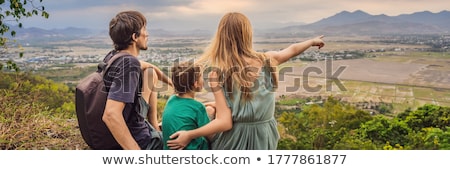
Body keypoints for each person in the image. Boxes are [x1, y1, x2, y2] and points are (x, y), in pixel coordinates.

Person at [167, 12, 325, 150]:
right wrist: (311, 41)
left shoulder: (217, 73)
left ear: (221, 36)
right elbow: (292, 49)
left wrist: (189, 134)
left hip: (234, 140)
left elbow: (224, 122)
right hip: (265, 136)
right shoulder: (268, 60)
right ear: (247, 34)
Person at [101, 10, 171, 150]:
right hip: (141, 142)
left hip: (135, 125)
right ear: (135, 37)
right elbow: (110, 114)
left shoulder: (114, 57)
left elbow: (149, 67)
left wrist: (171, 82)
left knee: (150, 73)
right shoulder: (129, 63)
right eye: (144, 29)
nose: (147, 34)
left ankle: (154, 125)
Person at [161, 61, 216, 150]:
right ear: (195, 83)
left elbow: (188, 108)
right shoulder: (198, 108)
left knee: (210, 109)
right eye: (201, 77)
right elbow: (211, 136)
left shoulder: (171, 100)